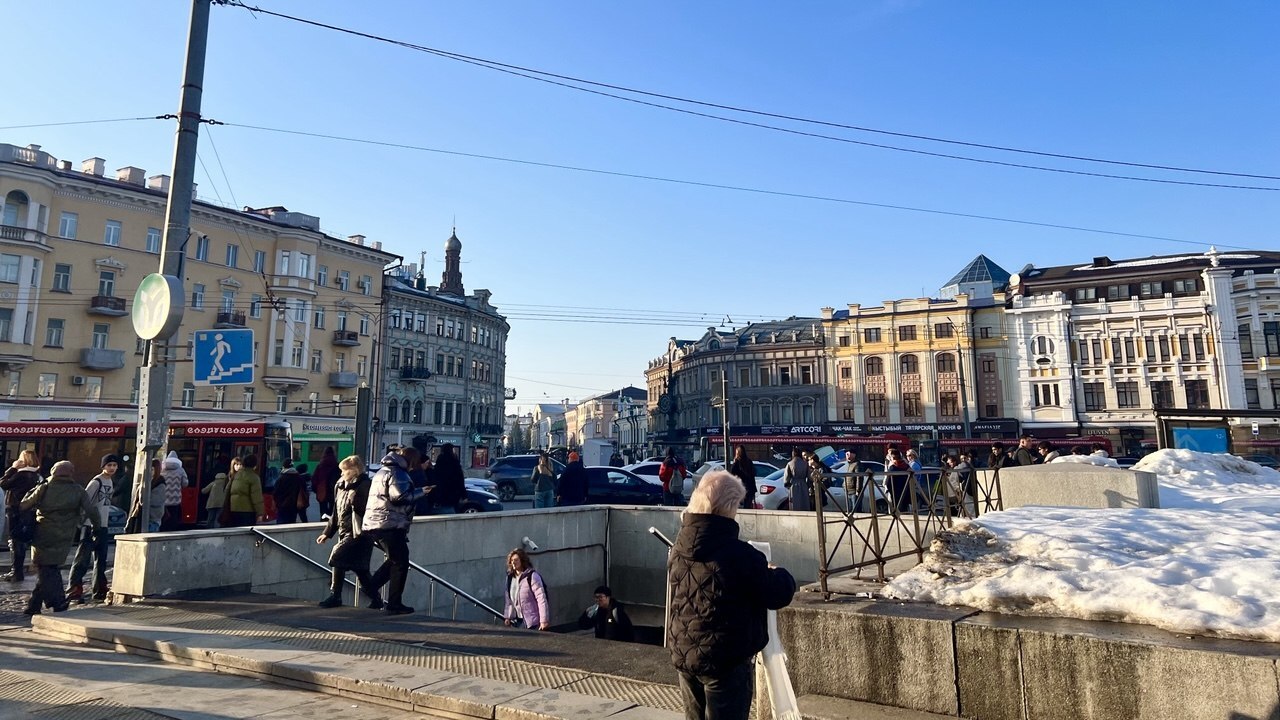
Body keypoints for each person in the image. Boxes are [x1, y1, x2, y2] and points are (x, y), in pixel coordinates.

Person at [667, 470, 796, 720]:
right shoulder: (740, 555)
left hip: (684, 653)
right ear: (727, 508)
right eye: (736, 504)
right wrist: (777, 571)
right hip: (724, 660)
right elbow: (777, 593)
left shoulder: (679, 547)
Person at [21, 461, 100, 615]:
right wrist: (95, 527)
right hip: (65, 535)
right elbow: (92, 511)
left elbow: (24, 505)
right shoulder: (77, 490)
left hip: (42, 533)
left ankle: (58, 602)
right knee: (49, 567)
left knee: (46, 568)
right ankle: (34, 605)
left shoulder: (45, 487)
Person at [316, 455, 383, 609]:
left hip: (360, 533)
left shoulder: (366, 485)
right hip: (346, 531)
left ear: (354, 471)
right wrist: (327, 532)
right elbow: (336, 511)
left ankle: (335, 595)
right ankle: (376, 599)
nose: (341, 474)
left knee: (337, 556)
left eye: (344, 471)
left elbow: (367, 510)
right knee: (361, 570)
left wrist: (355, 500)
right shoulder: (340, 486)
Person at [362, 451, 424, 615]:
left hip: (376, 523)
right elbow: (399, 497)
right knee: (401, 562)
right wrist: (422, 492)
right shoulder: (397, 472)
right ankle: (392, 601)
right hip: (389, 523)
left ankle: (371, 587)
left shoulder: (382, 471)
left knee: (395, 559)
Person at [67, 454, 117, 603]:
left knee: (101, 560)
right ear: (103, 466)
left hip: (103, 525)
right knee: (82, 560)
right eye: (109, 465)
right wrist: (85, 522)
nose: (112, 468)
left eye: (114, 465)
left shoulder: (110, 481)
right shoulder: (96, 482)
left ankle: (99, 590)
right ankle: (74, 590)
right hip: (90, 525)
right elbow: (86, 501)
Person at [0, 449, 42, 581]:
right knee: (21, 540)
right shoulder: (37, 476)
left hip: (16, 510)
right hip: (29, 510)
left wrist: (12, 469)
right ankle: (17, 571)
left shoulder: (21, 475)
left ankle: (16, 571)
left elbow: (3, 483)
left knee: (15, 540)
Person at [503, 547, 550, 630]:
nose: (513, 562)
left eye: (516, 560)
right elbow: (509, 601)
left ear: (522, 560)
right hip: (517, 621)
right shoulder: (510, 578)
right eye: (512, 560)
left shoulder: (532, 576)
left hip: (532, 622)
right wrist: (507, 616)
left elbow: (541, 599)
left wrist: (543, 620)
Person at [225, 454, 266, 527]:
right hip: (247, 511)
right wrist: (260, 513)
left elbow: (227, 490)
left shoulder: (236, 475)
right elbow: (256, 497)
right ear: (255, 465)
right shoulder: (254, 477)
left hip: (233, 509)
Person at [430, 444, 465, 514]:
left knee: (444, 509)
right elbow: (460, 479)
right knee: (454, 510)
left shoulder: (440, 460)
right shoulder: (454, 461)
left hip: (442, 491)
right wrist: (464, 494)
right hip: (453, 491)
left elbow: (436, 476)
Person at [159, 451, 189, 531]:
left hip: (163, 499)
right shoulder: (181, 470)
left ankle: (162, 531)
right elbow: (185, 484)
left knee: (163, 517)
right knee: (173, 518)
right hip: (175, 499)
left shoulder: (162, 470)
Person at [311, 447, 340, 517]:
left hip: (322, 489)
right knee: (333, 506)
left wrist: (316, 489)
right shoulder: (337, 465)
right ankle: (332, 520)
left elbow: (314, 479)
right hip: (334, 489)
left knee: (323, 506)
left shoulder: (320, 465)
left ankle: (323, 518)